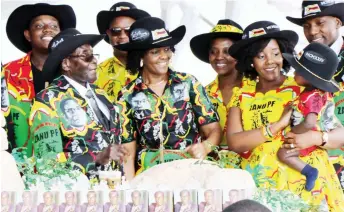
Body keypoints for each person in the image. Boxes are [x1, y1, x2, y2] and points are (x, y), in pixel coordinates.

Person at [226, 21, 344, 208]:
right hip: (263, 186)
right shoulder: (241, 96)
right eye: (260, 56)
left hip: (306, 186)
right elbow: (235, 143)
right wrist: (278, 125)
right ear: (250, 60)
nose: (270, 61)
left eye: (275, 53)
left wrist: (316, 137)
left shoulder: (304, 86)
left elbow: (341, 136)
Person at [115, 17, 221, 179]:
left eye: (167, 49)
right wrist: (130, 189)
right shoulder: (127, 96)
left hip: (191, 172)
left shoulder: (188, 84)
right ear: (141, 56)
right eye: (155, 52)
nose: (164, 56)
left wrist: (205, 147)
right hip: (151, 176)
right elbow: (127, 151)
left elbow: (213, 129)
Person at [29, 28, 128, 182]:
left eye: (93, 55)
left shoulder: (101, 94)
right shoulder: (47, 100)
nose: (94, 60)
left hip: (113, 193)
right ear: (66, 64)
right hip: (78, 197)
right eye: (85, 56)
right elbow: (47, 165)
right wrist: (97, 157)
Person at [3, 3, 76, 156]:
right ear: (28, 34)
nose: (48, 29)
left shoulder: (73, 71)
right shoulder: (8, 73)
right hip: (21, 159)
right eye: (39, 26)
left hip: (69, 162)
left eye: (54, 26)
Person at [286, 0, 344, 191]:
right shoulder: (302, 59)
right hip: (308, 165)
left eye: (320, 23)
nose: (312, 32)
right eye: (307, 26)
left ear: (337, 22)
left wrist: (319, 137)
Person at [277, 42, 342, 191]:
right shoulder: (318, 93)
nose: (294, 72)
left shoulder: (310, 97)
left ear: (311, 77)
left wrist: (293, 133)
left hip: (308, 140)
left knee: (284, 154)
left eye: (299, 71)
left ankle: (309, 171)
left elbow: (309, 122)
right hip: (315, 138)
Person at [190, 19, 245, 166]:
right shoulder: (201, 95)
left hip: (253, 170)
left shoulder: (255, 90)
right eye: (214, 52)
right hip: (214, 172)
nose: (219, 57)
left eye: (227, 51)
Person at [95, 2, 150, 102]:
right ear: (108, 34)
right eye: (116, 30)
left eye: (129, 30)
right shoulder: (96, 73)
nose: (122, 36)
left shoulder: (156, 66)